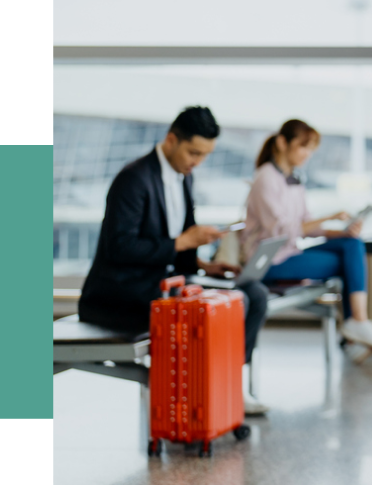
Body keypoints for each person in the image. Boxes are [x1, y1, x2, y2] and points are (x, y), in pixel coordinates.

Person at [80, 106, 271, 415]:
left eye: (205, 155)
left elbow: (178, 241)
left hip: (164, 281)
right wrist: (183, 242)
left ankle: (230, 382)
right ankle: (211, 391)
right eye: (193, 152)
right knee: (231, 303)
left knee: (255, 294)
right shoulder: (133, 179)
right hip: (120, 293)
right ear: (171, 140)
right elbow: (120, 248)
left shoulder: (184, 178)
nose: (197, 162)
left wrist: (205, 266)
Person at [241, 119, 372, 353]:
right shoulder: (266, 178)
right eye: (304, 146)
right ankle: (356, 328)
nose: (308, 154)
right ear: (282, 143)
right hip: (269, 262)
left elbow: (306, 226)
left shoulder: (294, 179)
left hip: (289, 252)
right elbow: (281, 229)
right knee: (347, 261)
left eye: (311, 149)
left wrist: (340, 231)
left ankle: (357, 327)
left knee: (351, 243)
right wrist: (329, 216)